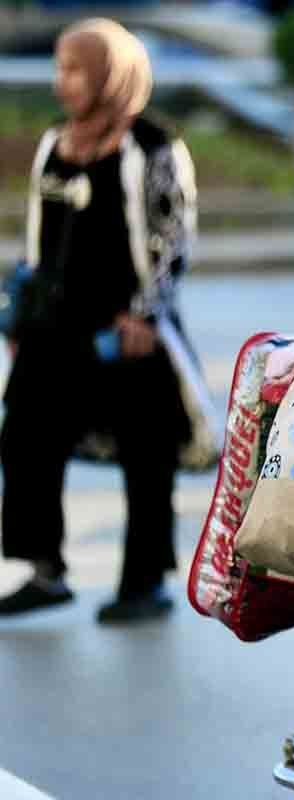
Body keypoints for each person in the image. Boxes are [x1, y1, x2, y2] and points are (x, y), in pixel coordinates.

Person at [0, 18, 205, 623]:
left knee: (148, 450)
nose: (63, 82)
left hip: (126, 328)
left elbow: (175, 238)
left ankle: (145, 584)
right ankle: (44, 570)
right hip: (54, 326)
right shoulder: (54, 143)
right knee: (26, 437)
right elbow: (38, 239)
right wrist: (20, 318)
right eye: (60, 67)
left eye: (75, 69)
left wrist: (146, 316)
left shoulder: (153, 145)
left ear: (110, 74)